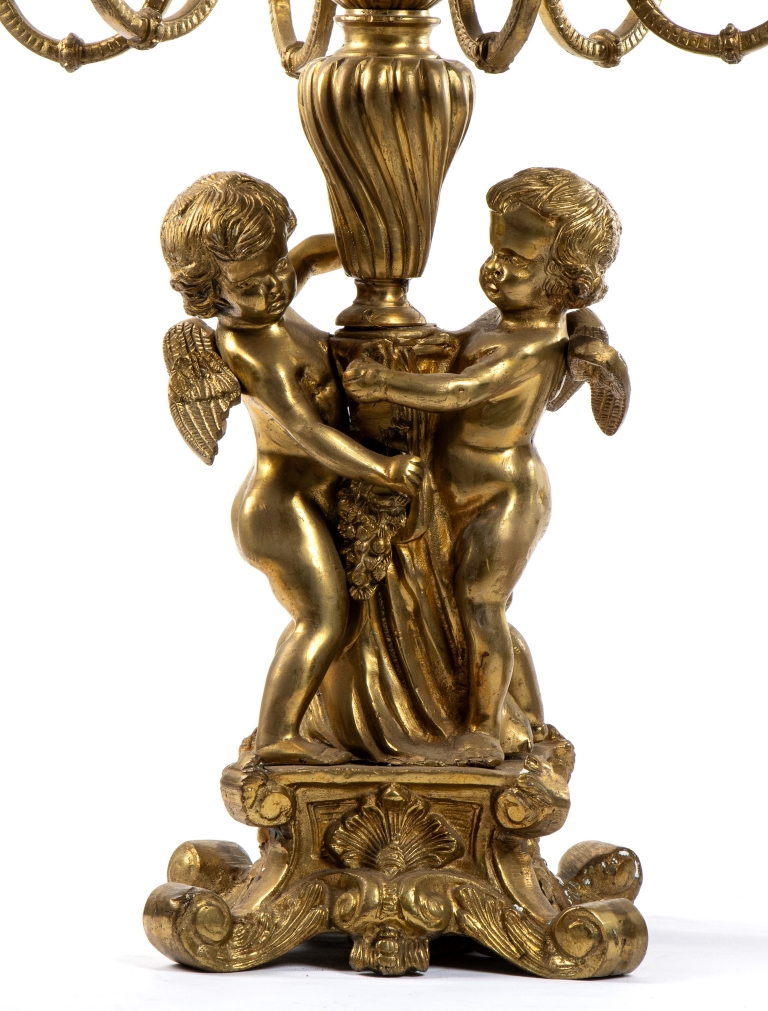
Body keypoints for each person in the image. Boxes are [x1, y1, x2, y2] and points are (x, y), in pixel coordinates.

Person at [343, 167, 625, 767]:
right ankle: (528, 716)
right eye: (494, 250)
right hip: (455, 491)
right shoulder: (500, 321)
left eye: (516, 259)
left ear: (564, 282)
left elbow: (461, 390)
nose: (495, 268)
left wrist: (384, 381)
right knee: (477, 611)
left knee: (480, 605)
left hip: (504, 496)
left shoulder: (532, 343)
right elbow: (455, 347)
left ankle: (480, 728)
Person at [161, 171, 423, 765]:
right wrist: (383, 472)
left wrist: (372, 249)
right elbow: (309, 433)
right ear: (210, 292)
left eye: (277, 266)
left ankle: (321, 719)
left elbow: (309, 255)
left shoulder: (272, 297)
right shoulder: (251, 347)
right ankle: (277, 737)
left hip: (316, 499)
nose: (276, 285)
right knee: (322, 619)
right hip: (281, 507)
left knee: (343, 622)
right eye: (252, 284)